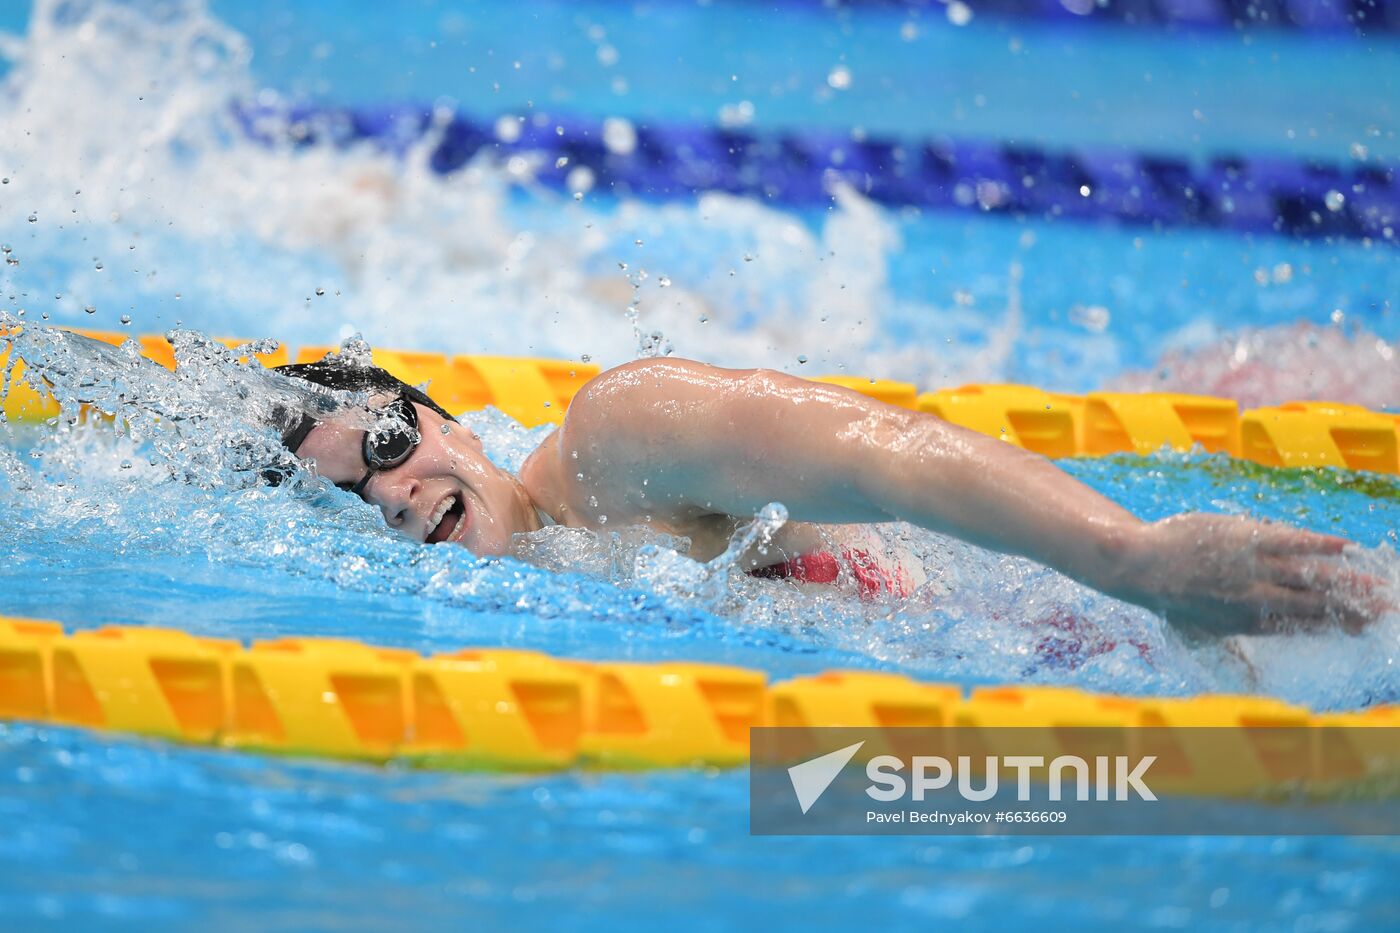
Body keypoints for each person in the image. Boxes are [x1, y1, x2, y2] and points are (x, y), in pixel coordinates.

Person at [273, 354, 1378, 637]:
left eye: (387, 442)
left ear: (451, 423)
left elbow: (884, 452)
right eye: (357, 496)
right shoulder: (535, 588)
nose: (401, 492)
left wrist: (1130, 562)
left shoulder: (618, 439)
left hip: (1080, 607)